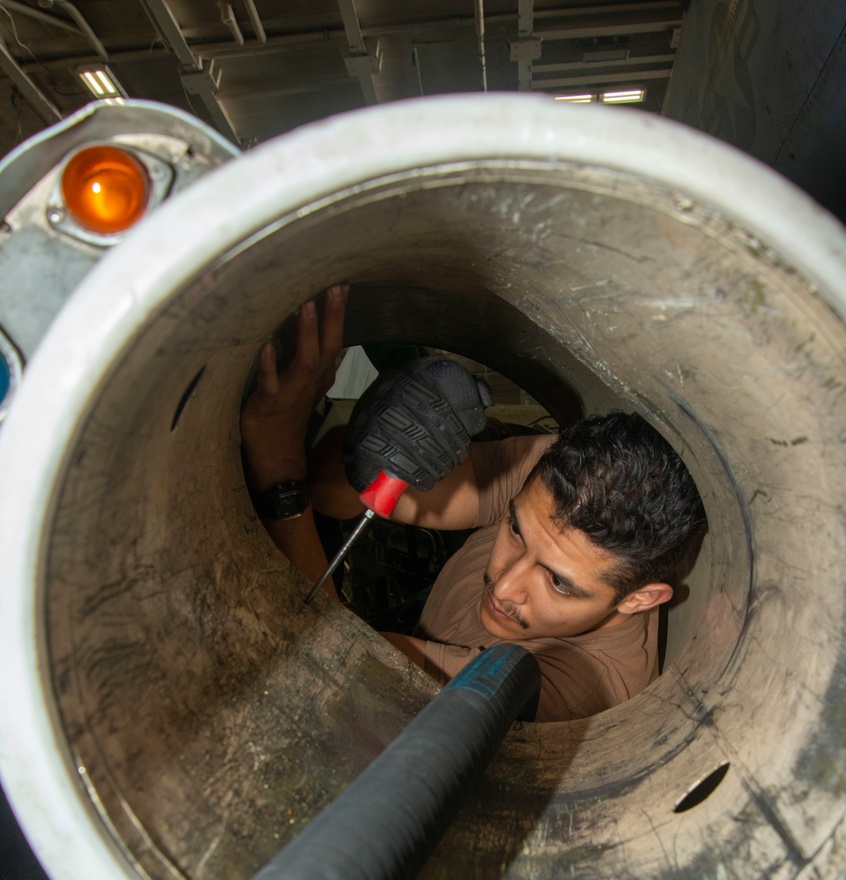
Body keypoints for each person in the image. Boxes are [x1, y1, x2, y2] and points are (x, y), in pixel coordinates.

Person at [240, 287, 706, 722]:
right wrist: (374, 446)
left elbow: (319, 665)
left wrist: (279, 473)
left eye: (559, 583)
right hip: (418, 625)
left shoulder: (581, 691)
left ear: (639, 599)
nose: (504, 585)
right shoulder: (564, 482)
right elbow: (334, 490)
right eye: (516, 530)